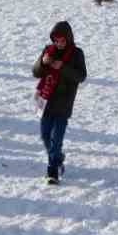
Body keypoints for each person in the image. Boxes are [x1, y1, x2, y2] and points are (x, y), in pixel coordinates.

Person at [32, 20, 87, 184]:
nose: (59, 43)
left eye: (62, 40)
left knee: (57, 139)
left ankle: (52, 171)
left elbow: (81, 76)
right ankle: (58, 157)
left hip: (64, 103)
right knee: (45, 136)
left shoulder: (77, 53)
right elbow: (36, 72)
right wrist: (43, 62)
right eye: (56, 40)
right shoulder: (48, 51)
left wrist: (62, 67)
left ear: (68, 39)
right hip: (46, 101)